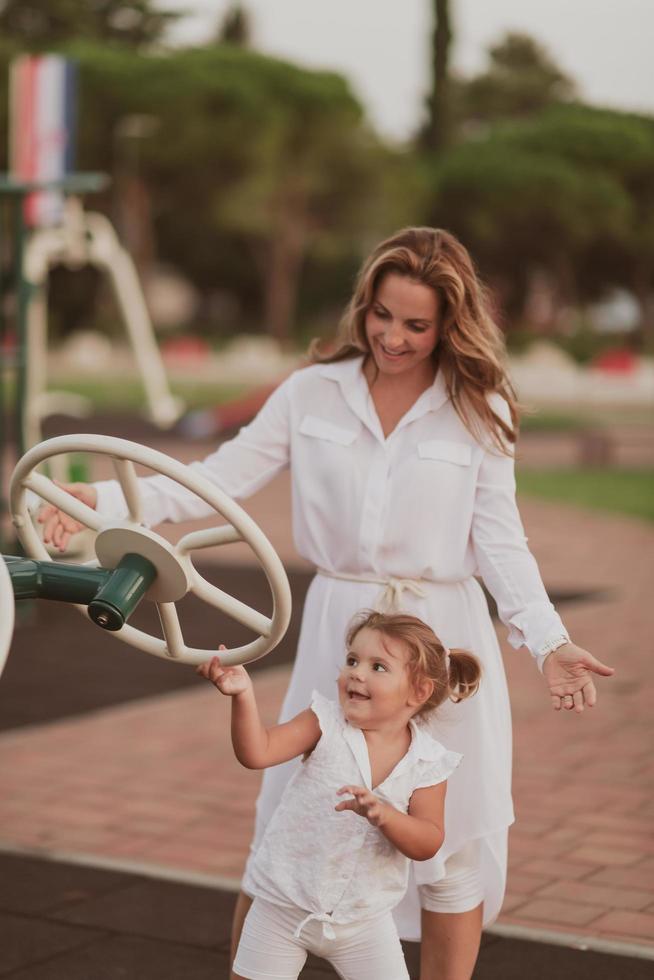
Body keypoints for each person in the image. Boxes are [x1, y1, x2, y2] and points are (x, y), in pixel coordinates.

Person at [39, 227, 614, 980]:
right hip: (339, 634)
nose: (393, 337)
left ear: (451, 324)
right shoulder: (312, 391)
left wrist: (550, 643)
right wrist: (106, 497)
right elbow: (219, 477)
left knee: (451, 849)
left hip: (442, 641)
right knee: (287, 822)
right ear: (363, 305)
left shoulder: (481, 406)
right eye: (382, 315)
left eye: (417, 324)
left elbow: (502, 545)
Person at [197, 611, 480, 980]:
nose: (357, 672)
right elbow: (258, 752)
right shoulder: (324, 723)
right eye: (352, 660)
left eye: (378, 666)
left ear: (419, 691)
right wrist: (243, 697)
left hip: (364, 921)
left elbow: (428, 840)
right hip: (283, 906)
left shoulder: (427, 762)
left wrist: (386, 815)